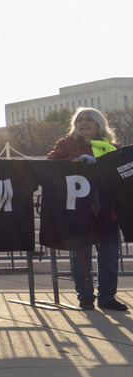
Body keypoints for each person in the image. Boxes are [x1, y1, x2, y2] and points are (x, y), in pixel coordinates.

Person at [47, 108, 126, 311]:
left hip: (108, 210)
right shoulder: (65, 145)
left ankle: (107, 297)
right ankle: (85, 297)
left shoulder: (111, 147)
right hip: (79, 211)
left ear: (99, 123)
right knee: (80, 256)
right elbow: (51, 165)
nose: (83, 123)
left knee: (108, 255)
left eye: (88, 119)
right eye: (79, 120)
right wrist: (75, 163)